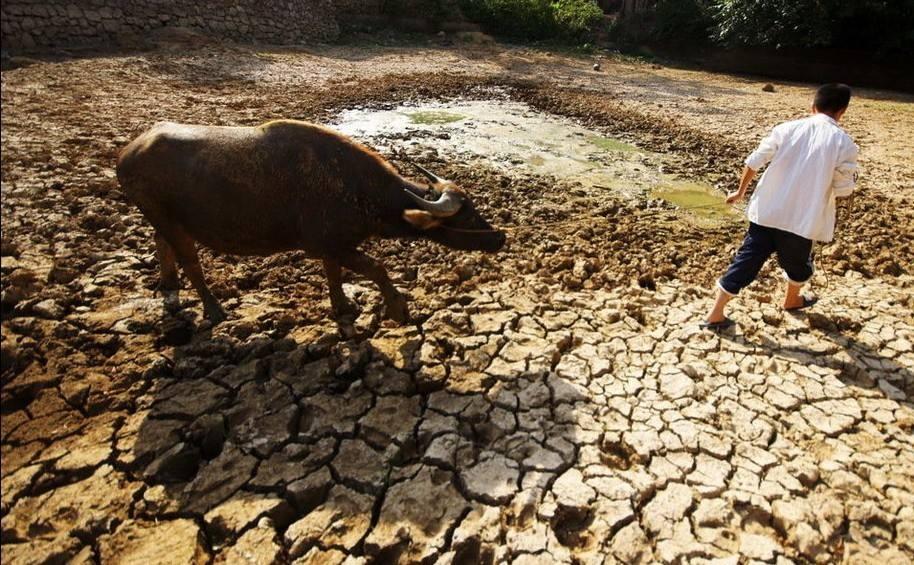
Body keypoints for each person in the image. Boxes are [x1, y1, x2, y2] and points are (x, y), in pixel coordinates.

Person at [702, 83, 858, 330]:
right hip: (801, 220)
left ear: (813, 106)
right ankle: (791, 299)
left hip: (766, 212)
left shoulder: (786, 129)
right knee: (798, 263)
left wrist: (740, 192)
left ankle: (715, 313)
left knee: (746, 260)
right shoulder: (845, 144)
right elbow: (843, 189)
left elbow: (755, 160)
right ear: (842, 112)